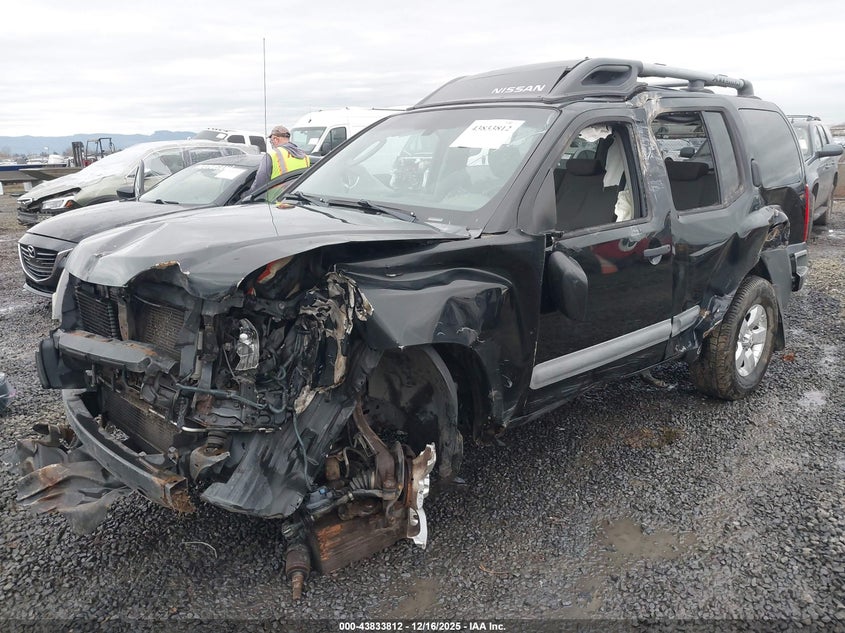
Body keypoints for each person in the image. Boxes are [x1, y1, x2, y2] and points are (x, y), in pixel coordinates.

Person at [249, 125, 310, 200]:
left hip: (276, 203)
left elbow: (259, 184)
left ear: (275, 139)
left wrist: (247, 196)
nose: (271, 144)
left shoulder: (272, 155)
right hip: (298, 201)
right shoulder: (305, 157)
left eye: (271, 141)